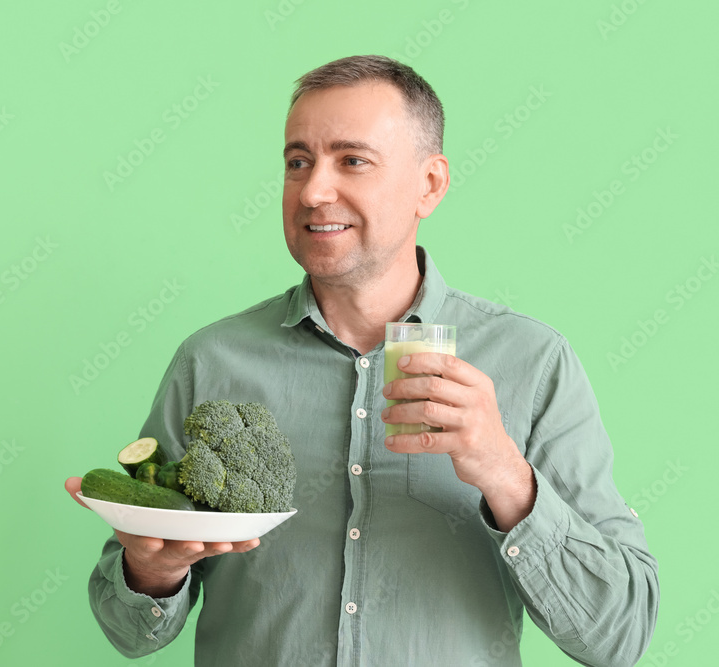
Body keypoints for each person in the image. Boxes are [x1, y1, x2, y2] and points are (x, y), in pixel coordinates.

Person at [66, 55, 658, 666]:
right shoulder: (211, 360)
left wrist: (506, 474)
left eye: (353, 160)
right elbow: (128, 632)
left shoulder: (534, 362)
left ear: (430, 184)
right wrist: (149, 570)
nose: (315, 191)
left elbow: (620, 636)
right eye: (299, 162)